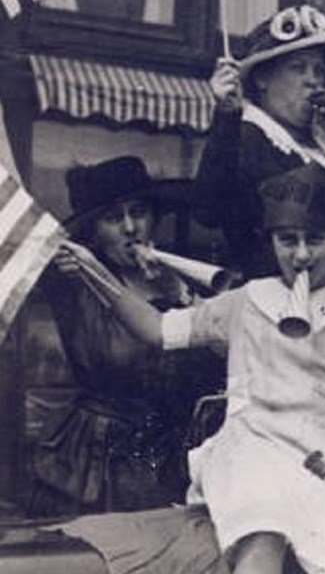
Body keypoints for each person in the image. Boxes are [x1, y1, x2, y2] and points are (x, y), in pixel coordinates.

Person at [53, 162, 325, 574]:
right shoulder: (247, 300)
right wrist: (93, 273)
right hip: (253, 454)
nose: (302, 255)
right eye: (288, 241)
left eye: (315, 241)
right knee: (261, 539)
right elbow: (159, 330)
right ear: (271, 242)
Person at [30, 156, 223, 516]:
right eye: (113, 218)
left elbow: (218, 344)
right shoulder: (73, 281)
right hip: (98, 461)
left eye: (138, 212)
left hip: (173, 456)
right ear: (93, 232)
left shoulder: (179, 277)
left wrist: (176, 288)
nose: (131, 227)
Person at [192, 4, 325, 281]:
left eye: (319, 70)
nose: (313, 81)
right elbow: (208, 209)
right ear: (263, 78)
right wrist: (227, 115)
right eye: (298, 68)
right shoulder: (248, 137)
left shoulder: (324, 143)